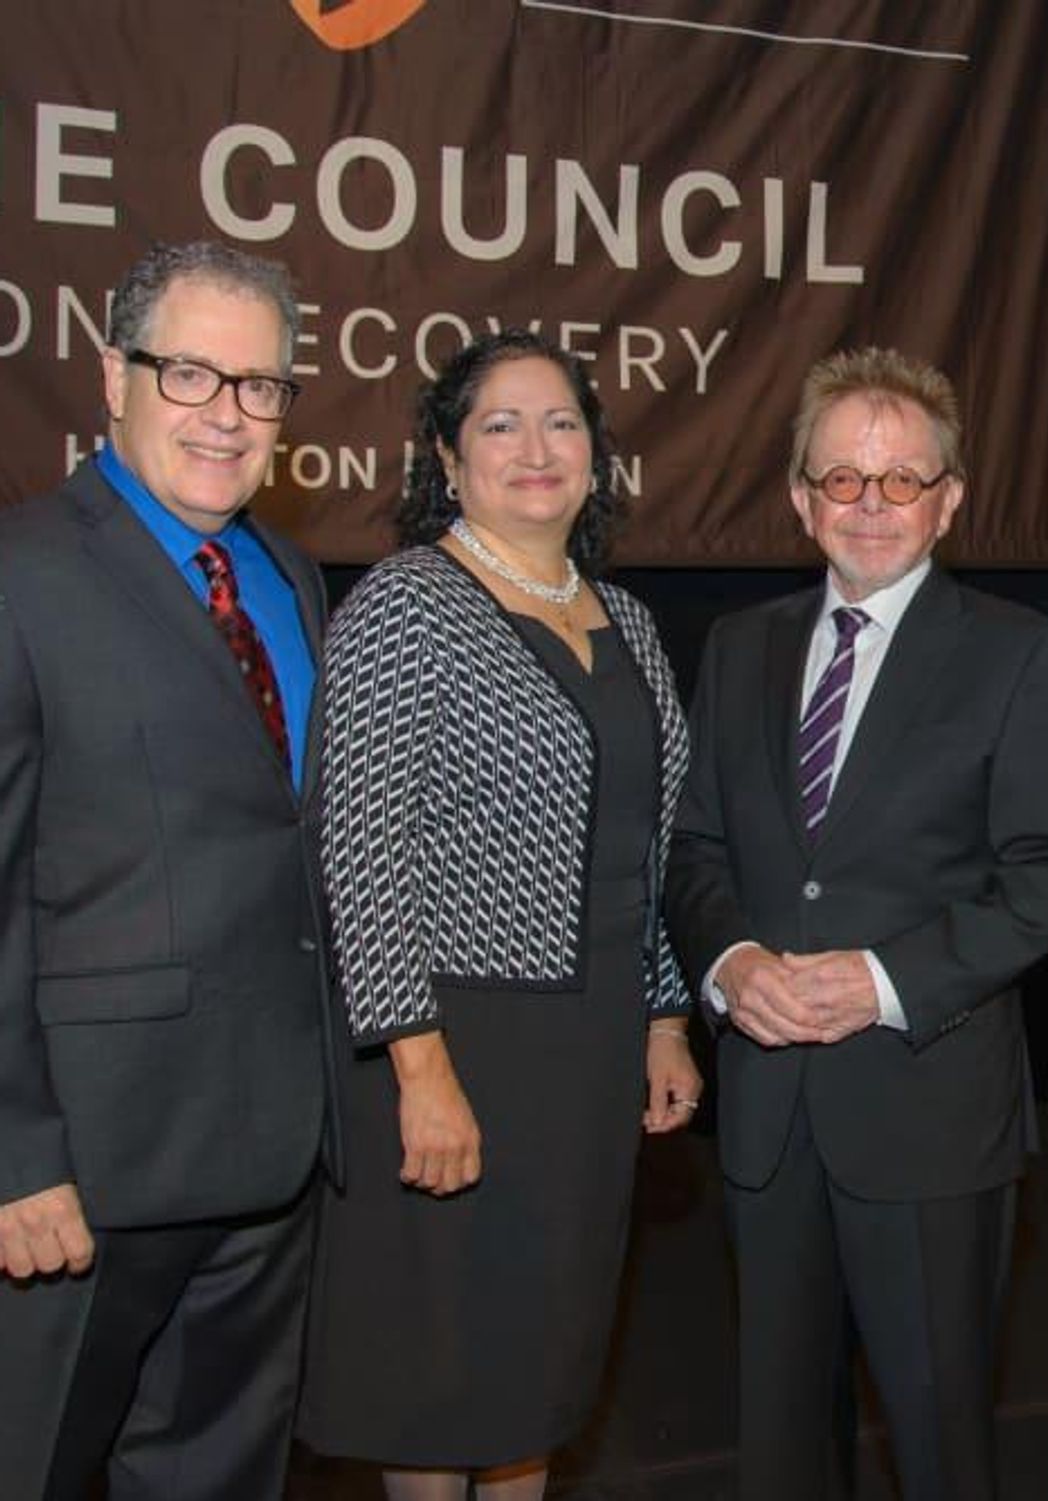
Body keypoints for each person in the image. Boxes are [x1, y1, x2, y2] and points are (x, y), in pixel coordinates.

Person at [664, 346, 1048, 1501]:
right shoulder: (740, 647)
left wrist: (882, 981)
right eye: (842, 479)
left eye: (902, 479)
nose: (870, 504)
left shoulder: (1018, 652)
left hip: (928, 1112)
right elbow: (695, 846)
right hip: (766, 1113)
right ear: (799, 497)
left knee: (938, 1444)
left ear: (948, 499)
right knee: (777, 1448)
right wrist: (729, 961)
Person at [296, 330, 700, 1501]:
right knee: (438, 1377)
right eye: (501, 424)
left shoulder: (626, 620)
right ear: (446, 455)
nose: (536, 448)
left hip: (586, 1059)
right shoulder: (404, 603)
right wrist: (419, 1069)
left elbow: (650, 843)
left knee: (540, 1366)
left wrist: (663, 1018)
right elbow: (357, 846)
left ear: (595, 453)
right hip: (450, 1042)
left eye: (561, 422)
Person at [0, 241, 330, 1498]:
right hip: (82, 1177)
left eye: (260, 386)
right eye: (189, 373)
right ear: (113, 378)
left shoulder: (290, 578)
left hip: (268, 1162)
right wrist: (14, 1154)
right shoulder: (21, 574)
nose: (226, 414)